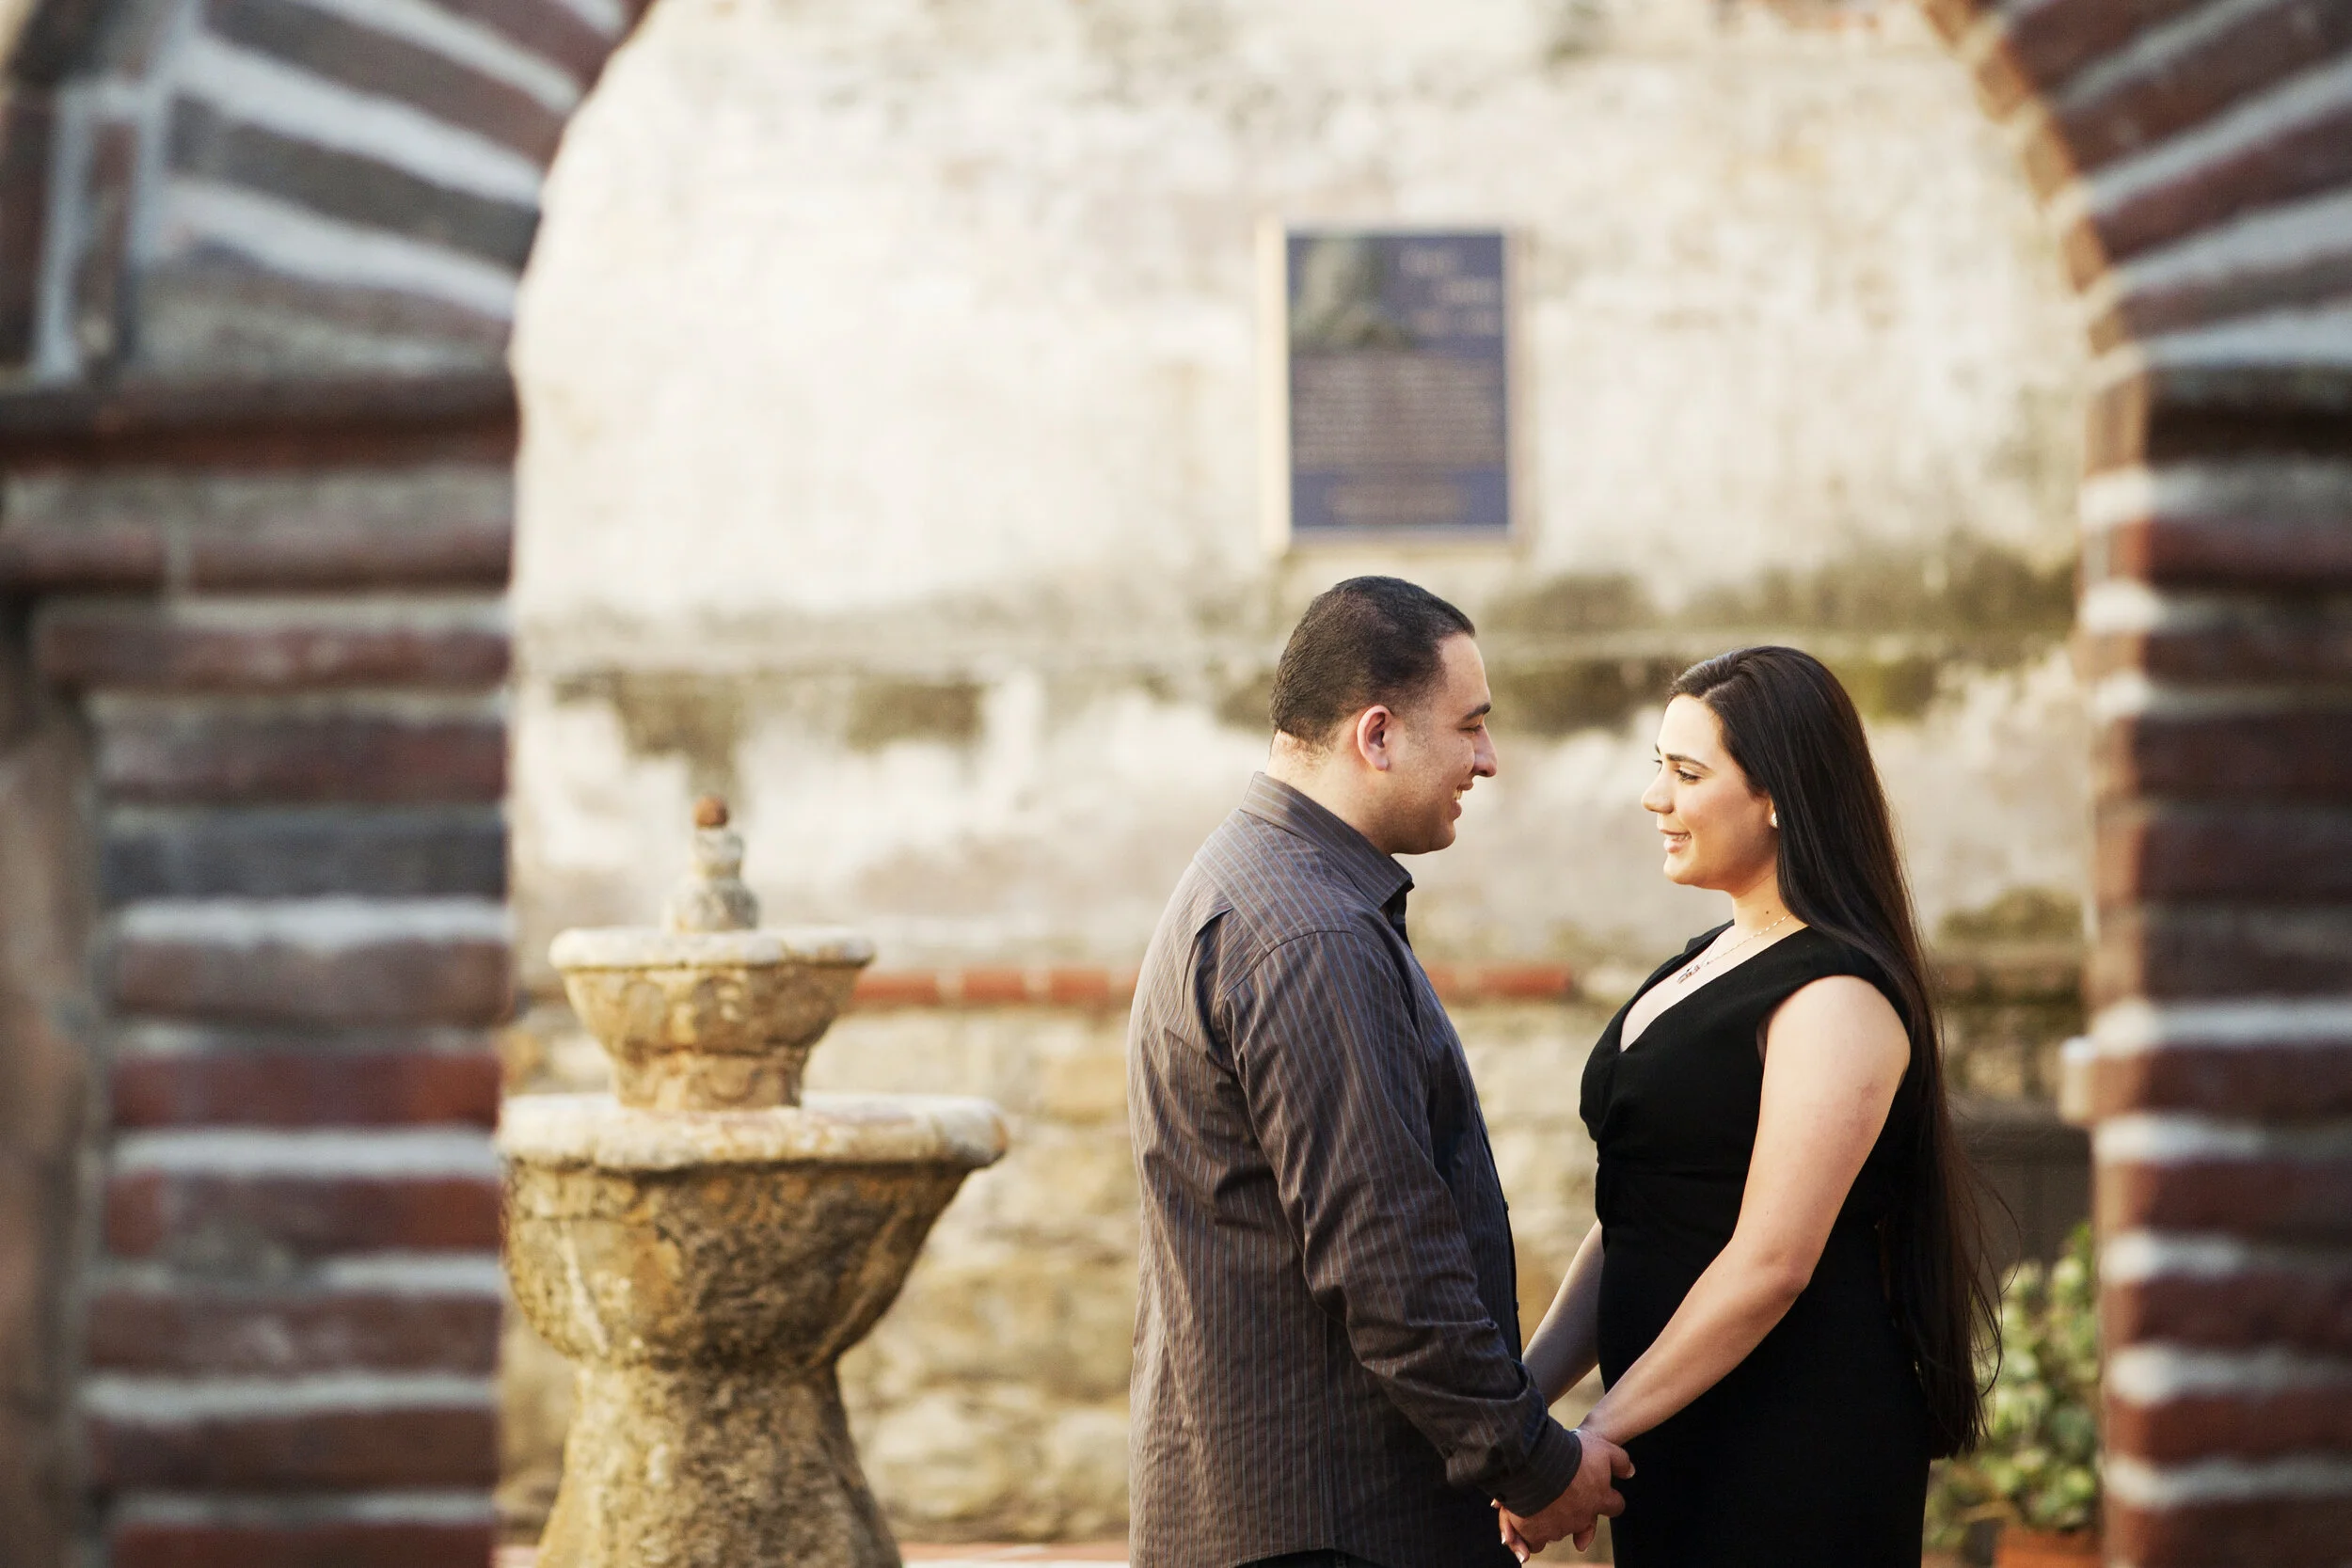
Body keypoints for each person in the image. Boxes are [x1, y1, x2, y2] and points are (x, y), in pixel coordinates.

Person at [1127, 577, 1632, 1568]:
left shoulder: (1262, 885)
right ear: (1377, 735)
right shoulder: (1306, 930)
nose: (1486, 759)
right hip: (1331, 1526)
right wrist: (1531, 1462)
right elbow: (1387, 1255)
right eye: (1471, 726)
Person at [1501, 646, 1995, 1565]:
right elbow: (1634, 1215)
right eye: (1658, 763)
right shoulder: (1704, 954)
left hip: (1786, 1439)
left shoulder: (1835, 992)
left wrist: (1593, 1431)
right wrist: (1521, 1418)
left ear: (1778, 795)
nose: (1655, 795)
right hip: (1673, 1426)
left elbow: (1772, 1260)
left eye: (1686, 772)